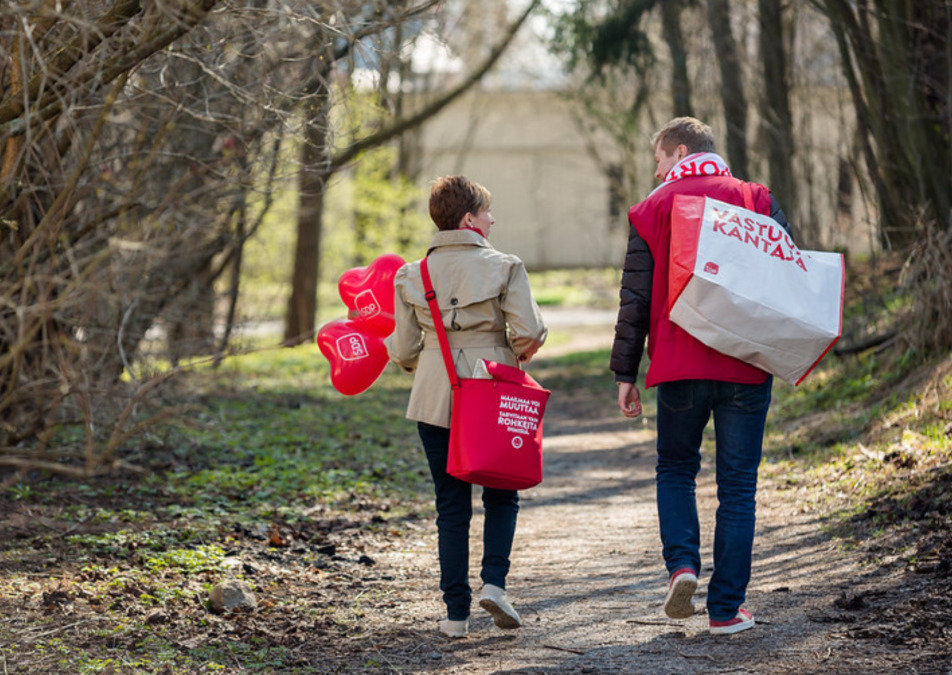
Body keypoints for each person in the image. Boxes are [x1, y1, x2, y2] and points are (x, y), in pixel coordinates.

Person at [610, 117, 793, 636]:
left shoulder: (652, 209)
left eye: (659, 159)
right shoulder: (756, 199)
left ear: (681, 151)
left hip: (679, 365)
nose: (657, 169)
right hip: (746, 365)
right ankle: (724, 611)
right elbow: (787, 274)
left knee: (675, 470)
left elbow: (635, 298)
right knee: (738, 488)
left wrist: (626, 370)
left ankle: (683, 567)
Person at [386, 175, 548, 639]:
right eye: (486, 212)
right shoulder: (506, 266)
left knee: (450, 505)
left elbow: (401, 349)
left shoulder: (410, 275)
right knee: (502, 491)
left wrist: (434, 359)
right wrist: (510, 348)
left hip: (435, 395)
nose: (492, 219)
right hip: (494, 389)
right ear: (468, 219)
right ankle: (494, 583)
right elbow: (530, 330)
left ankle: (456, 615)